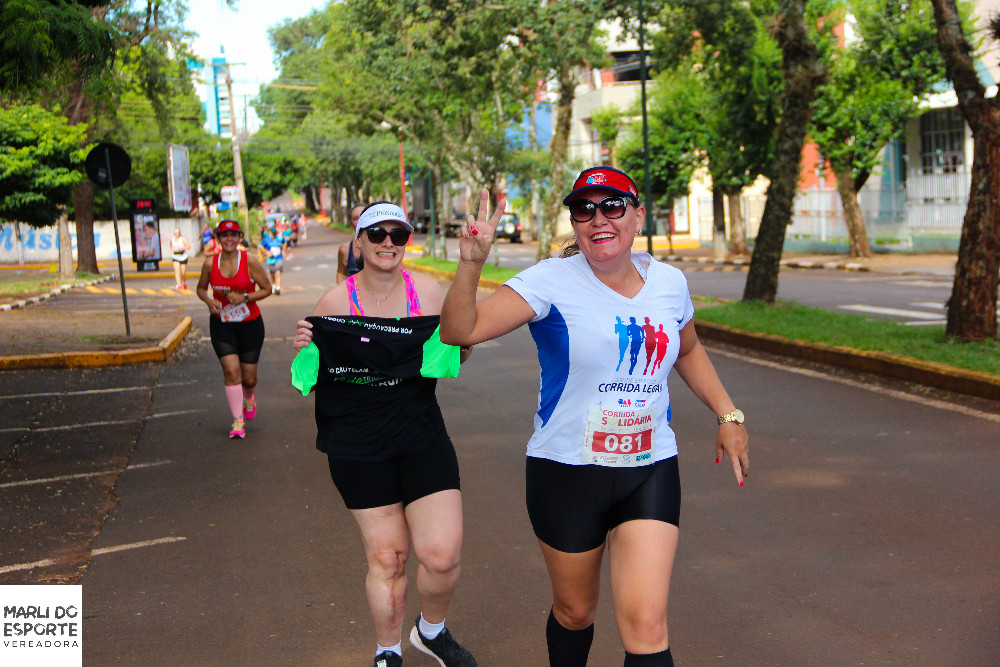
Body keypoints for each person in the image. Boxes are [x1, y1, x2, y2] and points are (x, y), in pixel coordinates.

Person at [439, 166, 749, 667]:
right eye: (584, 209)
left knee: (647, 627)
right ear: (575, 222)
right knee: (575, 611)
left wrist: (727, 415)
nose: (598, 218)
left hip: (649, 468)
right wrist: (472, 262)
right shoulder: (550, 280)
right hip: (565, 472)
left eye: (612, 206)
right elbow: (461, 330)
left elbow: (687, 351)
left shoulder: (669, 282)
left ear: (638, 214)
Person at [292, 202, 476, 667]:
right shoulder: (335, 305)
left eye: (398, 234)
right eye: (377, 234)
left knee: (442, 554)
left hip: (420, 434)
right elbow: (311, 375)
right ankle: (387, 649)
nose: (388, 243)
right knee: (389, 557)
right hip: (357, 444)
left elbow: (458, 353)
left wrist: (462, 343)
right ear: (359, 242)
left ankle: (430, 632)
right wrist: (304, 349)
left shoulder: (429, 294)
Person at [196, 219, 272, 439]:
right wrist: (210, 302)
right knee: (231, 371)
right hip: (222, 325)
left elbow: (266, 289)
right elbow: (201, 289)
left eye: (233, 235)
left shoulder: (250, 262)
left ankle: (249, 397)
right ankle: (237, 421)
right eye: (224, 235)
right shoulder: (210, 264)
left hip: (250, 325)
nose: (229, 239)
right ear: (218, 239)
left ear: (239, 238)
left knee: (249, 378)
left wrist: (244, 297)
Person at [337, 204, 366, 282]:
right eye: (355, 218)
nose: (360, 221)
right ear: (350, 223)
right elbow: (340, 273)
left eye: (363, 216)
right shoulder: (344, 249)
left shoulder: (385, 246)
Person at [260, 227, 285, 295]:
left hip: (279, 258)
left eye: (274, 234)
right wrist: (267, 252)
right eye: (272, 233)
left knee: (278, 272)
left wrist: (283, 250)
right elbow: (261, 246)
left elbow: (285, 242)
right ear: (270, 233)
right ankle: (273, 286)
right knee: (272, 274)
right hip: (270, 259)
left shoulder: (279, 238)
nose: (274, 235)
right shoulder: (266, 239)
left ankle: (278, 288)